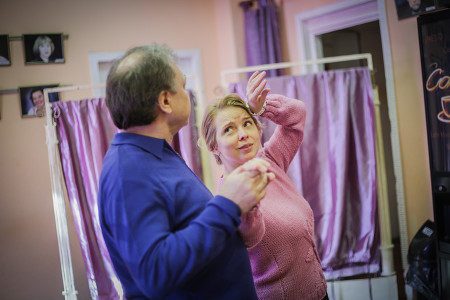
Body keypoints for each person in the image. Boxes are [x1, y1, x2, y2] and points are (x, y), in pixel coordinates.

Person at [98, 44, 275, 300]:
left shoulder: (155, 153)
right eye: (183, 86)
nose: (188, 94)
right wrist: (228, 203)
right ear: (166, 101)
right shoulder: (128, 171)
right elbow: (155, 272)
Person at [201, 71, 328, 300]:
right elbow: (252, 235)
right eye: (228, 129)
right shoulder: (230, 199)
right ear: (214, 147)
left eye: (247, 123)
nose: (242, 134)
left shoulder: (271, 161)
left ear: (258, 129)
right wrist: (245, 200)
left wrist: (261, 107)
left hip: (319, 292)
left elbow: (297, 114)